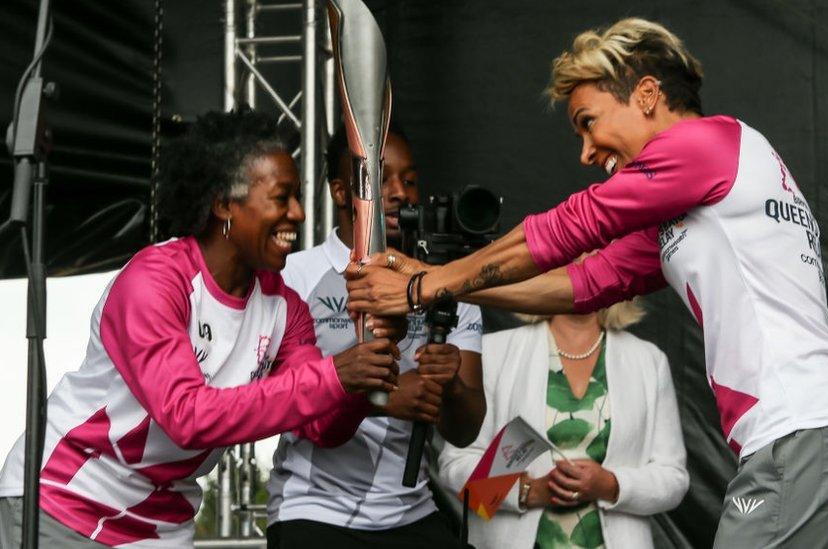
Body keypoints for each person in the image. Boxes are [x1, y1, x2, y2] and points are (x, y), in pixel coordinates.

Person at [346, 17, 828, 548]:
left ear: (648, 94)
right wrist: (439, 281)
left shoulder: (707, 144)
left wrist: (424, 288)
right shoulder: (706, 195)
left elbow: (571, 226)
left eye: (588, 121)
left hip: (806, 435)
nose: (586, 151)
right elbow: (585, 280)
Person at [0, 110, 401, 548]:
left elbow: (322, 426)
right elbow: (187, 418)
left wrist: (365, 373)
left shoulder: (286, 309)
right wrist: (336, 375)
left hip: (160, 526)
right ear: (224, 204)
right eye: (281, 197)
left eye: (298, 197)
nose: (299, 214)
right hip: (66, 502)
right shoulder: (155, 281)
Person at [265, 127, 485, 548]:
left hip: (411, 510)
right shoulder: (294, 277)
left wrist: (452, 386)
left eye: (410, 180)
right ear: (341, 192)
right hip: (313, 509)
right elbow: (279, 401)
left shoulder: (444, 286)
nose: (400, 193)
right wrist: (377, 398)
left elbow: (465, 430)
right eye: (382, 180)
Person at [439, 300, 687, 548]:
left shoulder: (648, 361)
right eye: (568, 258)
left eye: (594, 258)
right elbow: (455, 466)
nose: (581, 263)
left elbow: (673, 478)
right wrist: (530, 491)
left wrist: (610, 485)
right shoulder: (495, 351)